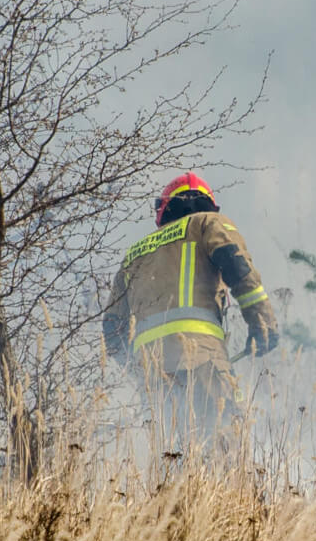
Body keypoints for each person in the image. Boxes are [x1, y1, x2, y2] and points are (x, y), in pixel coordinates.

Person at [103, 173, 279, 446]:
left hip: (152, 375)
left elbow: (112, 327)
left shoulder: (134, 253)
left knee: (167, 455)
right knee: (223, 446)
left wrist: (137, 370)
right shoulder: (208, 223)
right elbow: (237, 268)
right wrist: (262, 325)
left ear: (164, 209)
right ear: (208, 202)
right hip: (202, 358)